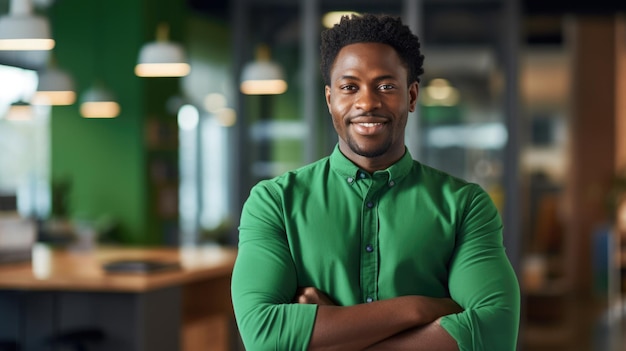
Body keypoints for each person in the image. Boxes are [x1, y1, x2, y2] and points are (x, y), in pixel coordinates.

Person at [231, 13, 520, 351]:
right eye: (349, 87)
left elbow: (494, 333)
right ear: (330, 100)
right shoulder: (275, 203)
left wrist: (332, 335)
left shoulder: (465, 206)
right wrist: (421, 309)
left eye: (386, 86)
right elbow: (264, 337)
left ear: (412, 97)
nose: (367, 103)